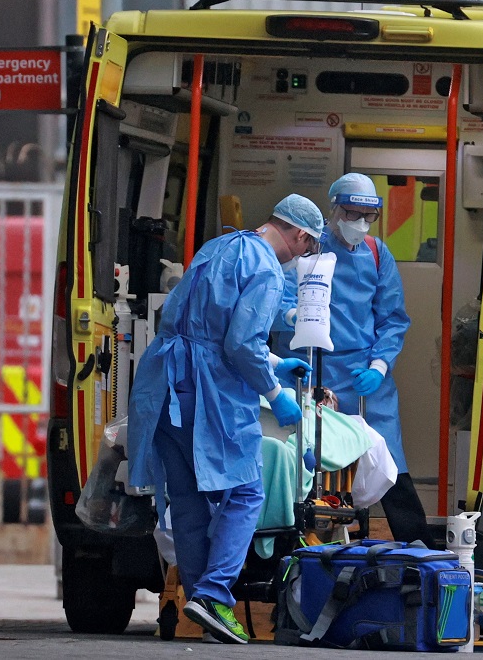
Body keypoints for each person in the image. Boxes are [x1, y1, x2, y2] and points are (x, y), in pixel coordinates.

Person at [127, 194, 324, 644]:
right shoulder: (267, 269)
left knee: (190, 502)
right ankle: (215, 597)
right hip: (207, 393)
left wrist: (274, 362)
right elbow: (237, 345)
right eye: (307, 248)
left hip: (166, 386)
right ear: (300, 235)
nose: (303, 257)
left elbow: (202, 327)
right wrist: (276, 394)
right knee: (246, 492)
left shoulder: (219, 247)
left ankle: (202, 603)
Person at [316, 172, 434, 546]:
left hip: (367, 374)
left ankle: (418, 550)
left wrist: (379, 366)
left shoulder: (376, 252)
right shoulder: (309, 249)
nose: (360, 225)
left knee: (390, 463)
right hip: (318, 370)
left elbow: (392, 317)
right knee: (314, 467)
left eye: (369, 217)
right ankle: (310, 548)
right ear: (333, 209)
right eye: (352, 215)